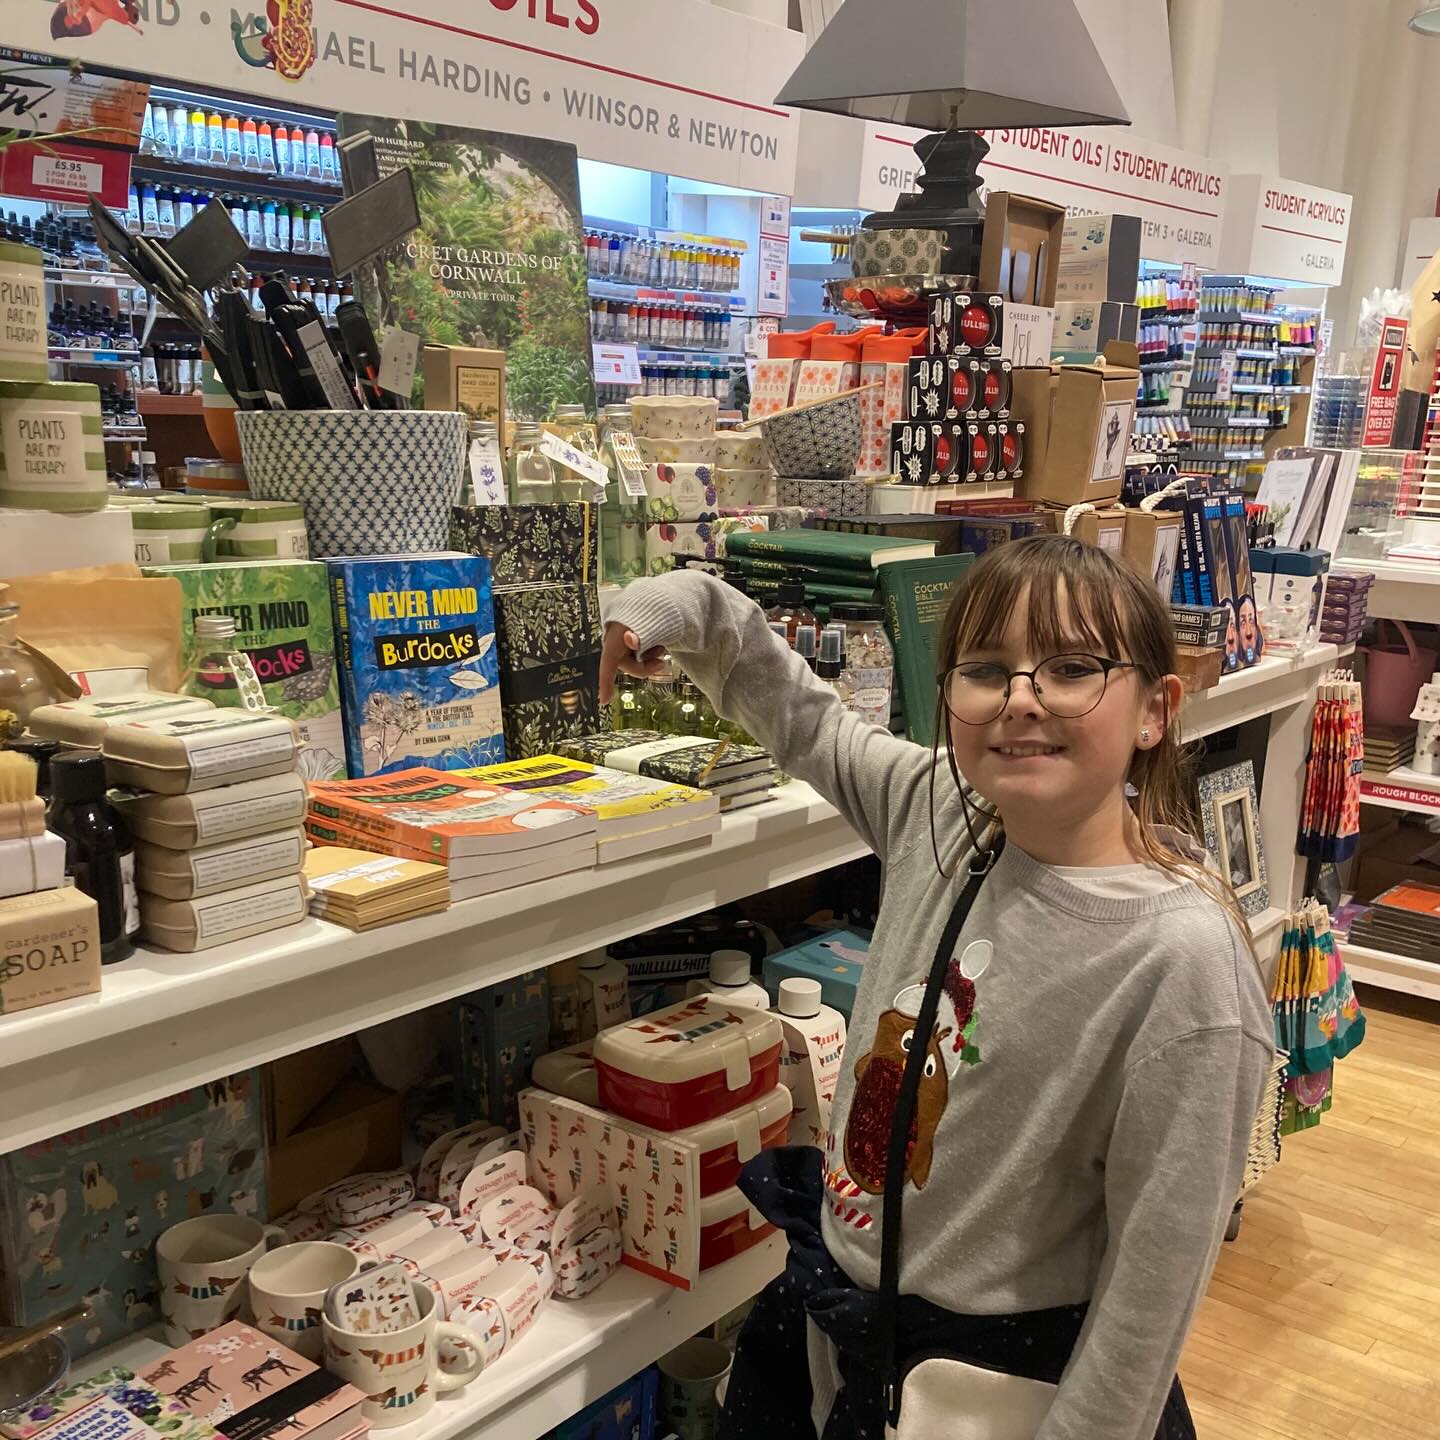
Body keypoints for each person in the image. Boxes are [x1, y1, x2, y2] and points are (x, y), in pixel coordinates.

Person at [600, 534, 1273, 1440]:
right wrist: (673, 608)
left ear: (1156, 710)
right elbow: (806, 718)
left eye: (1072, 668)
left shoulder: (1183, 965)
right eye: (986, 669)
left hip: (998, 1384)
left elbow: (1151, 1294)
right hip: (839, 1330)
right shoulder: (938, 813)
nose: (1022, 699)